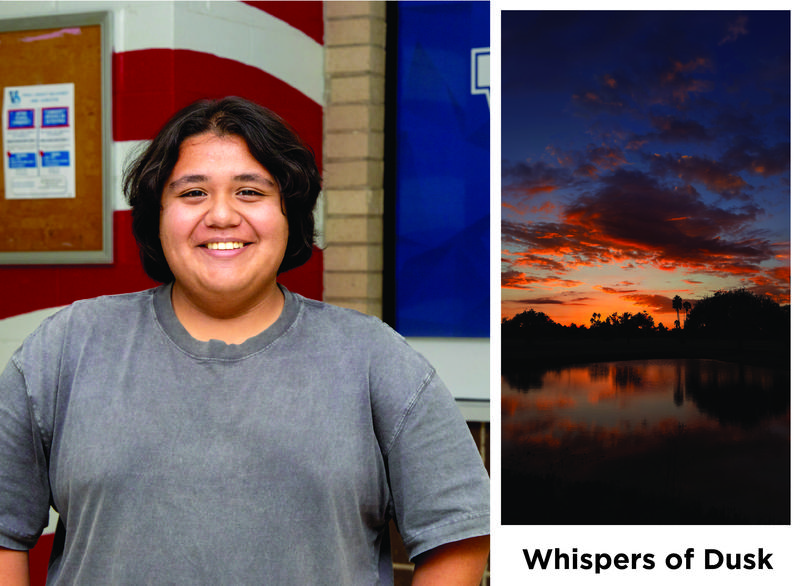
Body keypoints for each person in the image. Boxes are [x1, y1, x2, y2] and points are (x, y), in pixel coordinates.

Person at [0, 96, 489, 585]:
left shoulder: (373, 358)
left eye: (250, 192)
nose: (221, 215)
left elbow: (460, 536)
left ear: (289, 214)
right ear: (158, 215)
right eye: (193, 192)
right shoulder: (69, 346)